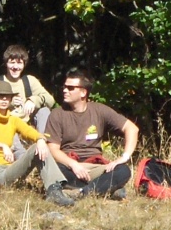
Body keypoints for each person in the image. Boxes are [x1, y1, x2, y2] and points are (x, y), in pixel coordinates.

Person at [0, 81, 74, 211]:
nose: (4, 99)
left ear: (11, 99)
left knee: (38, 147)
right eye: (0, 96)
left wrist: (40, 139)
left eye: (7, 96)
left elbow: (30, 132)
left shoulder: (13, 120)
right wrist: (2, 146)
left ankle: (54, 190)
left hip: (8, 171)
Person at [45, 71, 140, 199]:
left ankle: (82, 192)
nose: (65, 90)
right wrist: (73, 164)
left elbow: (132, 129)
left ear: (83, 92)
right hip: (69, 166)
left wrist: (124, 157)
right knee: (53, 168)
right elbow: (53, 149)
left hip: (95, 167)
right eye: (64, 87)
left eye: (70, 88)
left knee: (123, 171)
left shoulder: (99, 110)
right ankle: (106, 188)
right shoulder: (57, 114)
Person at [0, 44, 56, 156]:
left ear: (24, 64)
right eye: (12, 62)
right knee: (9, 127)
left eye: (19, 63)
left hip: (27, 122)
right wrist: (8, 102)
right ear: (6, 63)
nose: (15, 67)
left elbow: (51, 100)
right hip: (7, 123)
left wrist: (33, 100)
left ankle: (43, 143)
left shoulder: (30, 81)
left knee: (44, 111)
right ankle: (22, 158)